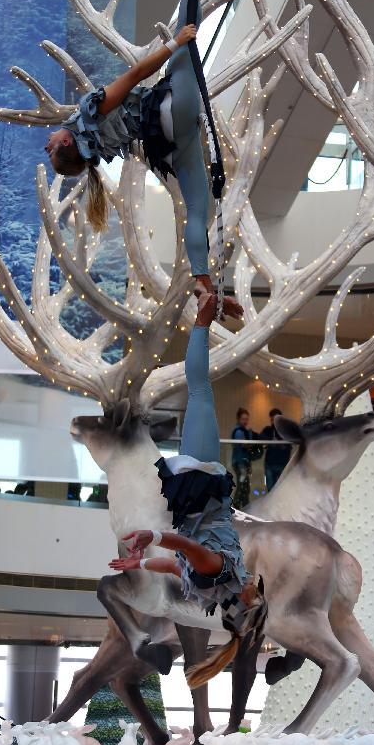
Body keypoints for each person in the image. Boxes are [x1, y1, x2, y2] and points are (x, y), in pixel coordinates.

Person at [44, 0, 241, 319]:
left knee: (198, 208)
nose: (46, 141)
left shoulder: (93, 149)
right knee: (187, 31)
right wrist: (173, 45)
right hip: (167, 112)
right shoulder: (90, 115)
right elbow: (135, 75)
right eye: (50, 146)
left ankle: (203, 285)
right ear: (64, 141)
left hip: (171, 144)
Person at [108, 291, 266, 685]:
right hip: (194, 492)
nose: (255, 585)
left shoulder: (220, 571)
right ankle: (204, 308)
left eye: (256, 593)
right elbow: (177, 565)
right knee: (200, 390)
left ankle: (202, 317)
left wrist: (153, 536)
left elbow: (188, 549)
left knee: (199, 389)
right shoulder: (211, 589)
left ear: (244, 601)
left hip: (204, 484)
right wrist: (141, 563)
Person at [230, 408, 260, 509]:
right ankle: (237, 508)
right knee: (243, 485)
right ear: (238, 419)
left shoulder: (242, 431)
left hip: (243, 462)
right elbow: (245, 445)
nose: (245, 421)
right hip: (240, 462)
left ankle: (243, 508)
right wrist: (252, 438)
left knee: (245, 486)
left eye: (247, 419)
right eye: (243, 419)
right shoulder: (238, 431)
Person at [259, 408, 292, 491]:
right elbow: (261, 438)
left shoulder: (286, 430)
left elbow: (289, 445)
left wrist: (279, 444)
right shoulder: (268, 430)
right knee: (270, 490)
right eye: (272, 419)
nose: (273, 421)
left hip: (282, 465)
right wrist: (271, 442)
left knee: (282, 490)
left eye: (276, 419)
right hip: (270, 465)